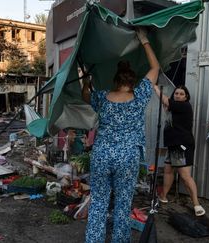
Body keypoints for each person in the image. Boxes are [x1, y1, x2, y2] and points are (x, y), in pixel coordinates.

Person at [82, 28, 159, 243]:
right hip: (127, 157)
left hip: (102, 155)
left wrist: (87, 80)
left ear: (115, 80)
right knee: (123, 204)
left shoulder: (102, 97)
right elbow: (155, 67)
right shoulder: (140, 95)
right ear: (132, 81)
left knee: (98, 201)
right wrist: (143, 40)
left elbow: (85, 95)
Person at [154, 85, 206, 217]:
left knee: (184, 176)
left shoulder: (184, 106)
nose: (178, 95)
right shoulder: (175, 108)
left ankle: (196, 204)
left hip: (182, 146)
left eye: (181, 94)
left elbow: (165, 101)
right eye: (176, 93)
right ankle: (163, 196)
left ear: (186, 97)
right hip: (173, 145)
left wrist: (155, 88)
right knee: (168, 170)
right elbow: (168, 108)